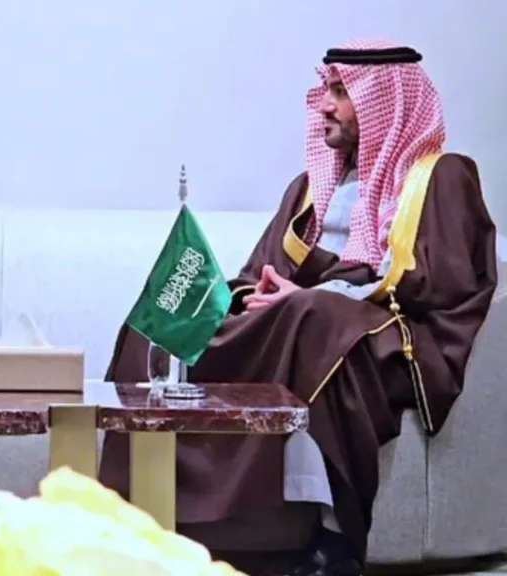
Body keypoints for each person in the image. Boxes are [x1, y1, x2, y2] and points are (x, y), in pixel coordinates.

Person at [98, 40, 499, 576]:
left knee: (315, 315)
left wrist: (315, 292)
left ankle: (331, 541)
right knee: (161, 324)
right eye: (326, 90)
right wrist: (258, 296)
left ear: (386, 101)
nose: (324, 105)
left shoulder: (439, 176)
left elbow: (437, 284)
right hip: (297, 321)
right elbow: (257, 273)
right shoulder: (311, 187)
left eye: (341, 92)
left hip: (385, 339)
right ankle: (132, 515)